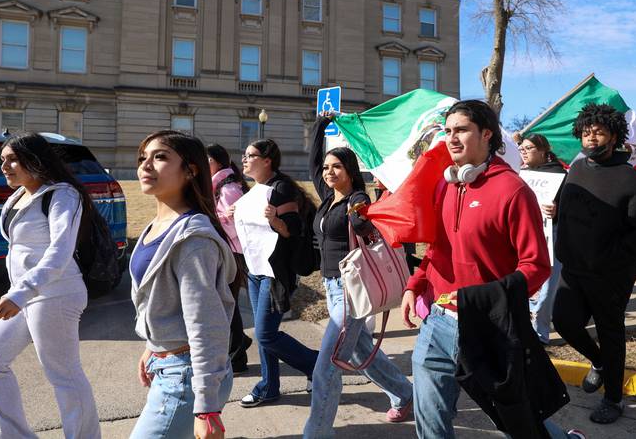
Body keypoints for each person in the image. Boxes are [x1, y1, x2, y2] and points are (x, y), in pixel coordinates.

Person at [400, 100, 581, 439]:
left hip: (487, 326)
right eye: (448, 131)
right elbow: (438, 249)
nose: (451, 138)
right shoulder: (447, 185)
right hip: (438, 320)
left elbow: (536, 265)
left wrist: (490, 301)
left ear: (486, 135)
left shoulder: (513, 190)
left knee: (518, 418)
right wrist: (415, 284)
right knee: (430, 419)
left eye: (461, 130)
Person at [303, 114, 413, 438]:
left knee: (327, 366)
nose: (328, 172)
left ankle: (317, 433)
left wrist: (360, 220)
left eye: (336, 166)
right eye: (326, 168)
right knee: (361, 351)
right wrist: (321, 126)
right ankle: (404, 395)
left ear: (350, 170)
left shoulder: (357, 199)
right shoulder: (327, 197)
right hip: (331, 288)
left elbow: (366, 229)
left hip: (351, 293)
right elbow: (313, 163)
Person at [553, 103, 636, 425]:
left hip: (611, 275)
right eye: (586, 133)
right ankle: (600, 362)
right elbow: (569, 206)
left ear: (613, 136)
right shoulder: (575, 169)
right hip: (573, 269)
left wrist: (613, 255)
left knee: (610, 333)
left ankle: (613, 398)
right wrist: (556, 211)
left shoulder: (630, 179)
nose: (590, 138)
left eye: (598, 132)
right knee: (565, 322)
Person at [0, 132, 101, 438]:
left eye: (12, 159)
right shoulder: (18, 194)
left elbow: (59, 252)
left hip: (56, 294)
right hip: (24, 295)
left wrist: (21, 292)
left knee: (63, 374)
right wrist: (17, 292)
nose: (4, 166)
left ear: (34, 159)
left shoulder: (62, 194)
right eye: (2, 160)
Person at [131, 130, 236, 438]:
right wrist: (153, 346)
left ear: (190, 170)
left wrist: (206, 406)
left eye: (160, 157)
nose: (145, 165)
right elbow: (157, 299)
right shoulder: (157, 226)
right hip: (167, 365)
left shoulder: (193, 240)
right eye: (142, 158)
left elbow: (206, 324)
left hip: (187, 375)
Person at [236, 138, 319, 408]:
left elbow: (291, 229)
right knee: (265, 333)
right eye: (245, 155)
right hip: (255, 269)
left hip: (275, 271)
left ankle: (317, 364)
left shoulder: (280, 188)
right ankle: (270, 386)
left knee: (265, 334)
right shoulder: (257, 188)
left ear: (267, 160)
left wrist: (274, 220)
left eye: (250, 155)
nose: (244, 159)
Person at [207, 143, 253, 375]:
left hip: (233, 252)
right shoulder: (220, 184)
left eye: (207, 161)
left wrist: (216, 219)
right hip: (229, 251)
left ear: (217, 162)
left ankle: (237, 359)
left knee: (228, 305)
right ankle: (240, 343)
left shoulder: (227, 188)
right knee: (227, 303)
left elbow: (237, 225)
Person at [519, 133, 566, 345]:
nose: (524, 152)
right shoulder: (520, 175)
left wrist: (557, 210)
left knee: (547, 284)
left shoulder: (559, 175)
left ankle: (540, 333)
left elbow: (572, 208)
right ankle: (524, 327)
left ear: (542, 151)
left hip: (551, 236)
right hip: (524, 236)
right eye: (522, 149)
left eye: (528, 148)